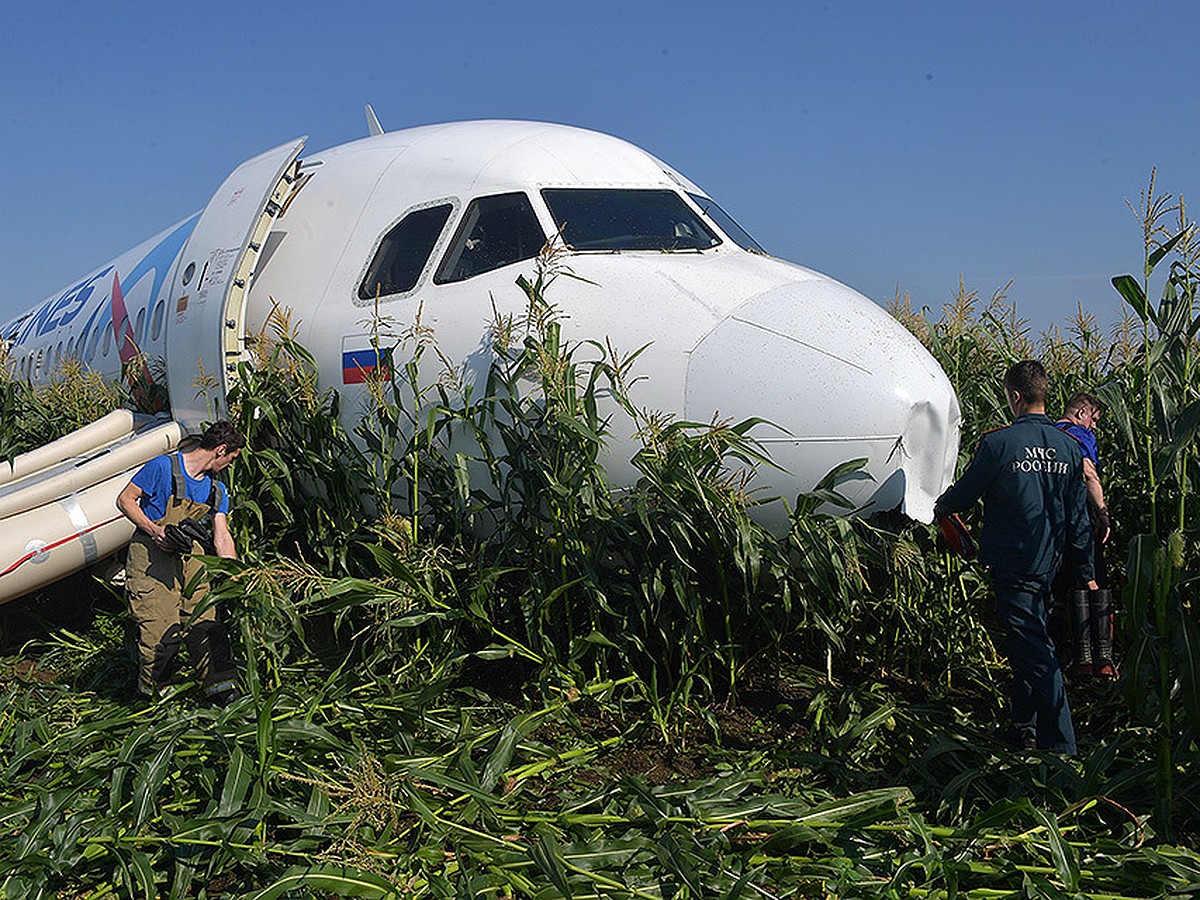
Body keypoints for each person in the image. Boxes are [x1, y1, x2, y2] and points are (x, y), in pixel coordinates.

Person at [934, 361, 1095, 754]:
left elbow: (964, 495)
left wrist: (939, 506)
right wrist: (1087, 569)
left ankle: (1061, 748)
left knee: (1036, 651)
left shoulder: (998, 444)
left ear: (1015, 396)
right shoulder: (1070, 448)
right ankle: (1023, 728)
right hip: (1049, 563)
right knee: (1029, 642)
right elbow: (1078, 517)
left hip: (1013, 564)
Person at [116, 420, 244, 703]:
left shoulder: (217, 491)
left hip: (193, 562)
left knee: (206, 625)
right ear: (221, 450)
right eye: (231, 459)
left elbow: (222, 536)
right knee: (160, 630)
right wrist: (155, 530)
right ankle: (152, 700)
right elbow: (125, 500)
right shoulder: (162, 467)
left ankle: (222, 696)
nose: (231, 466)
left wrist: (237, 577)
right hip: (152, 558)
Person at [1054, 392, 1115, 676]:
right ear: (1080, 414)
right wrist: (1102, 511)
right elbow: (1089, 473)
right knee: (1092, 578)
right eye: (1093, 418)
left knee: (1066, 583)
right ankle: (1098, 658)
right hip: (1080, 514)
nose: (1094, 426)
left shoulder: (1050, 433)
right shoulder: (1078, 435)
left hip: (1052, 519)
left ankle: (1075, 655)